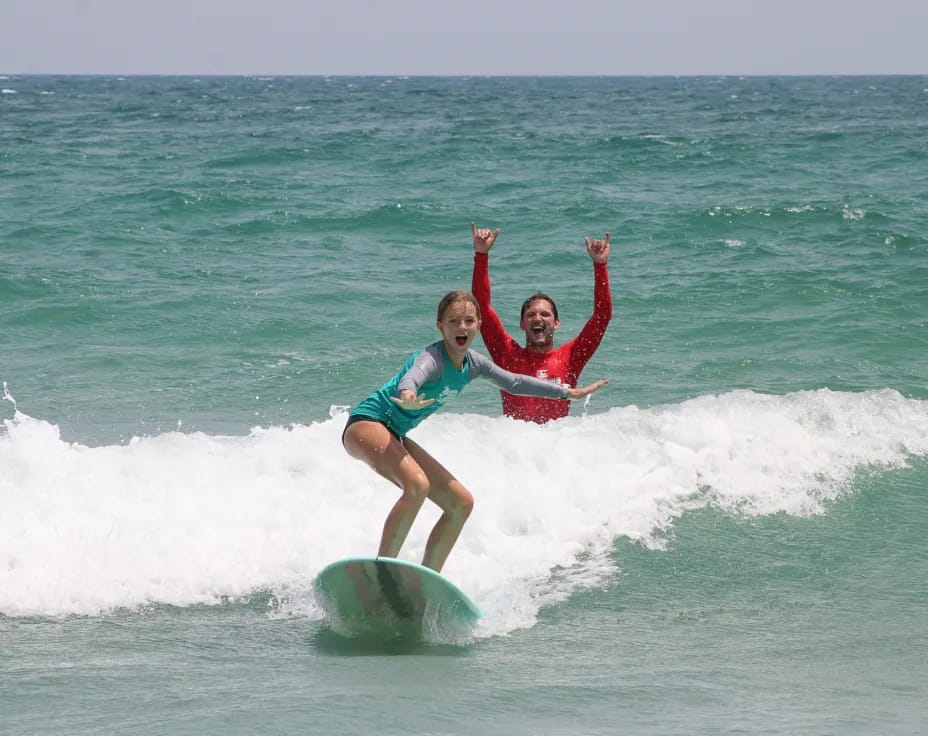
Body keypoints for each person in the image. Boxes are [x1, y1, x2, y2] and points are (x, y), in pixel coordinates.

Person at [342, 290, 607, 573]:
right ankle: (383, 570)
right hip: (367, 423)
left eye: (469, 320)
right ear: (440, 326)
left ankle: (426, 580)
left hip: (395, 433)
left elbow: (514, 382)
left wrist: (566, 393)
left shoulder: (474, 364)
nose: (462, 327)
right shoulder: (432, 359)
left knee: (461, 503)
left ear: (479, 324)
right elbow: (412, 376)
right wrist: (407, 393)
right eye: (453, 320)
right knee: (417, 485)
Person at [471, 222, 612, 424]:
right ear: (522, 324)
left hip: (554, 445)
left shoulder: (571, 357)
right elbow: (481, 309)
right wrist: (481, 254)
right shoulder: (507, 355)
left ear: (556, 323)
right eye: (531, 315)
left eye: (545, 314)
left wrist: (600, 265)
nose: (537, 318)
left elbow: (602, 316)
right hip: (515, 443)